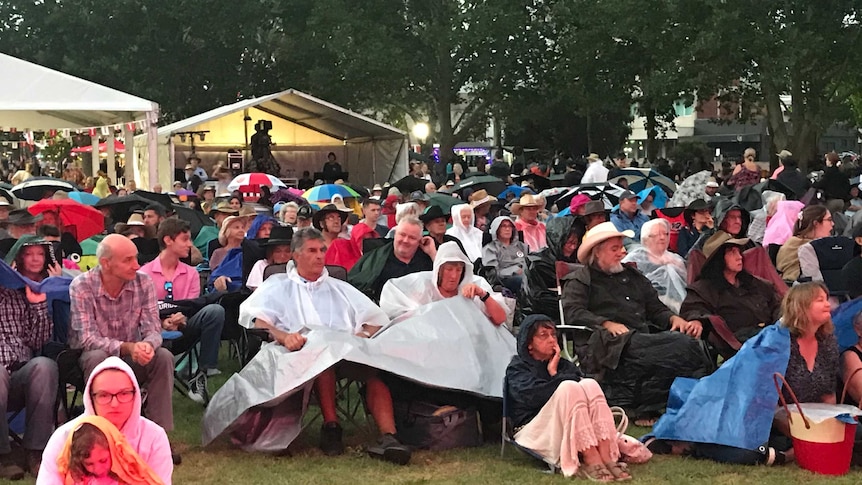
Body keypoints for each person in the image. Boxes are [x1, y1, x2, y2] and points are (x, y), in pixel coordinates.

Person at [243, 228, 412, 464]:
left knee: (374, 373)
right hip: (297, 354)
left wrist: (362, 335)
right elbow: (256, 320)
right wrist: (283, 336)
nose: (320, 256)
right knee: (324, 358)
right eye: (312, 251)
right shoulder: (278, 285)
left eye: (323, 250)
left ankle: (389, 437)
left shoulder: (337, 287)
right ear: (296, 255)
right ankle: (331, 427)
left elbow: (376, 318)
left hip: (344, 351)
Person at [563, 222, 713, 424]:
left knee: (693, 344)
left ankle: (687, 402)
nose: (622, 252)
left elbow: (654, 307)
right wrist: (606, 324)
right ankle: (648, 407)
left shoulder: (633, 276)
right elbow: (573, 312)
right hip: (605, 344)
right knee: (679, 346)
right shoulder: (582, 279)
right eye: (614, 248)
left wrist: (673, 318)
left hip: (639, 336)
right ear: (597, 252)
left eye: (622, 247)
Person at [68, 234, 176, 450]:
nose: (136, 265)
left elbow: (154, 329)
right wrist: (128, 347)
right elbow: (87, 339)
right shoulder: (82, 286)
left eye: (136, 258)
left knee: (162, 356)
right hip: (95, 356)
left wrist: (147, 345)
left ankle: (158, 438)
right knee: (97, 358)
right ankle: (102, 436)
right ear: (105, 263)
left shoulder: (143, 282)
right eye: (128, 260)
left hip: (133, 354)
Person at [505, 315, 628, 480]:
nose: (551, 340)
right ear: (529, 344)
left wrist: (554, 372)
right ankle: (591, 458)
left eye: (553, 335)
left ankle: (607, 456)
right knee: (569, 386)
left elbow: (576, 387)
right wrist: (556, 377)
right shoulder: (517, 369)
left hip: (562, 427)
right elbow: (534, 397)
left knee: (589, 384)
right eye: (543, 335)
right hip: (533, 432)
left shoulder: (564, 366)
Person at [39, 357, 173, 484]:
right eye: (104, 395)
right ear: (91, 398)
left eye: (123, 393)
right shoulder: (64, 438)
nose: (114, 403)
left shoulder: (154, 437)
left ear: (136, 395)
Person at [140, 217, 225, 400]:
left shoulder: (191, 273)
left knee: (214, 311)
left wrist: (181, 320)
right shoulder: (144, 274)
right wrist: (163, 322)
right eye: (185, 239)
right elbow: (142, 312)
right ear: (168, 240)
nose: (190, 245)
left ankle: (201, 373)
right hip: (153, 332)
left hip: (185, 327)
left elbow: (192, 306)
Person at [680, 238, 782, 358]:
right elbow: (693, 309)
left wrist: (781, 323)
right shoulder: (704, 289)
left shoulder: (755, 283)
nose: (739, 257)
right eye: (732, 252)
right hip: (737, 349)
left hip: (772, 339)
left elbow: (778, 304)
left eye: (739, 252)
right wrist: (697, 320)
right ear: (718, 259)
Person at [0, 276, 58, 479]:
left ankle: (36, 451)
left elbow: (38, 341)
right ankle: (3, 455)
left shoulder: (16, 298)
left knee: (44, 366)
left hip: (19, 377)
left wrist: (38, 306)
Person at [380, 241, 508, 325]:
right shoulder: (424, 289)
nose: (453, 276)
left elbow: (500, 319)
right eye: (449, 269)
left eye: (458, 270)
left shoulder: (473, 288)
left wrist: (482, 294)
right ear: (439, 270)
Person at [56, 416, 165, 485]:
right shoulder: (77, 479)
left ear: (114, 452)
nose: (97, 469)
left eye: (103, 460)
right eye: (89, 464)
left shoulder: (130, 479)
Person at [348, 218, 436, 302]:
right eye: (402, 234)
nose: (405, 240)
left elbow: (444, 280)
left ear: (420, 241)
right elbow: (354, 287)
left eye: (412, 238)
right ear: (395, 234)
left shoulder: (426, 259)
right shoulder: (375, 259)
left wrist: (432, 253)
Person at [622, 219, 688, 313]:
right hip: (650, 308)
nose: (662, 238)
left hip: (682, 305)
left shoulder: (677, 259)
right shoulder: (636, 258)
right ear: (646, 238)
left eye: (665, 234)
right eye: (657, 234)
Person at [525, 216, 586, 318]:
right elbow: (536, 298)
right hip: (544, 316)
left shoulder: (578, 260)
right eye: (569, 243)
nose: (573, 247)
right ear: (558, 240)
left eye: (575, 243)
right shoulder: (537, 263)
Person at [776, 205, 833, 283]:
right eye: (829, 220)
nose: (832, 224)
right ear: (816, 224)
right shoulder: (814, 248)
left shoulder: (790, 243)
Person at [481, 216, 528, 295]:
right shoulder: (490, 248)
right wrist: (514, 270)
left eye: (510, 226)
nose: (507, 229)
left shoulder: (522, 246)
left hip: (526, 274)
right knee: (524, 281)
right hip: (506, 279)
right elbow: (494, 273)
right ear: (496, 229)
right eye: (503, 226)